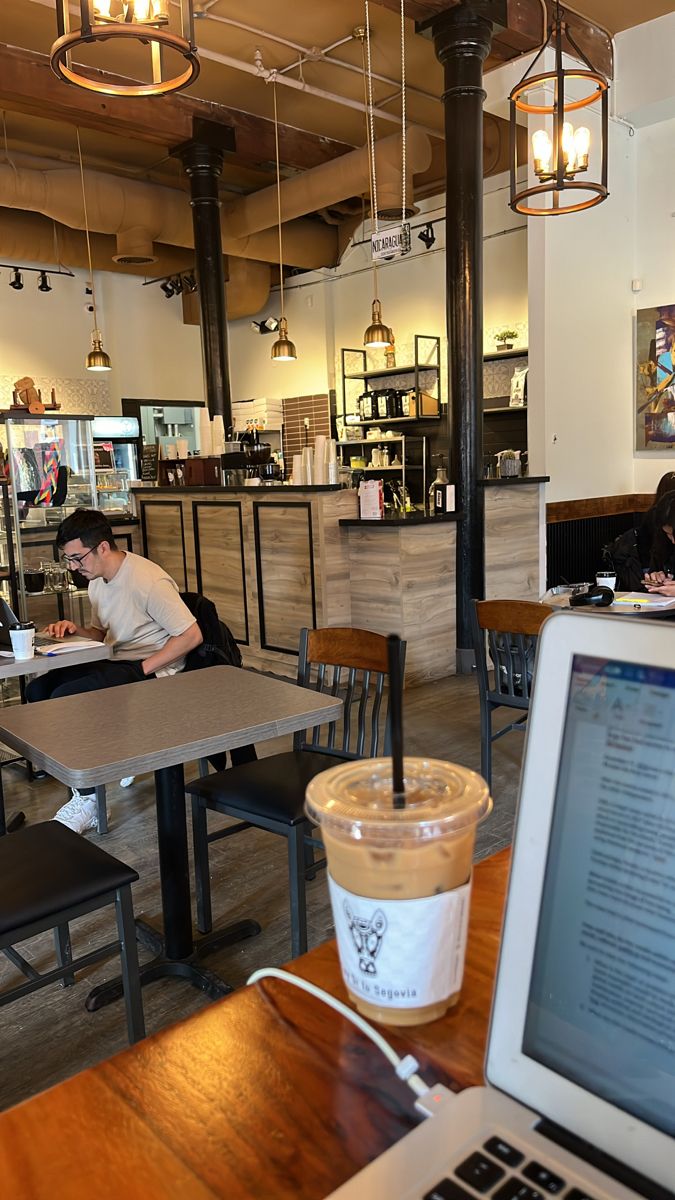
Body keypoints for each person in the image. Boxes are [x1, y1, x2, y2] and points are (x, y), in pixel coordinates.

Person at [27, 508, 203, 834]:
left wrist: (143, 668)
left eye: (77, 558)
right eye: (68, 560)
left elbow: (192, 635)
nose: (73, 567)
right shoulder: (98, 581)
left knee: (70, 698)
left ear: (103, 548)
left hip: (155, 668)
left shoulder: (148, 581)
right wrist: (75, 629)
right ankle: (95, 775)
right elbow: (102, 633)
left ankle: (91, 800)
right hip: (119, 660)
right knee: (38, 691)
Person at [644, 492, 675, 593]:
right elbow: (656, 568)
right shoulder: (663, 543)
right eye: (668, 534)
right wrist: (658, 579)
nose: (673, 541)